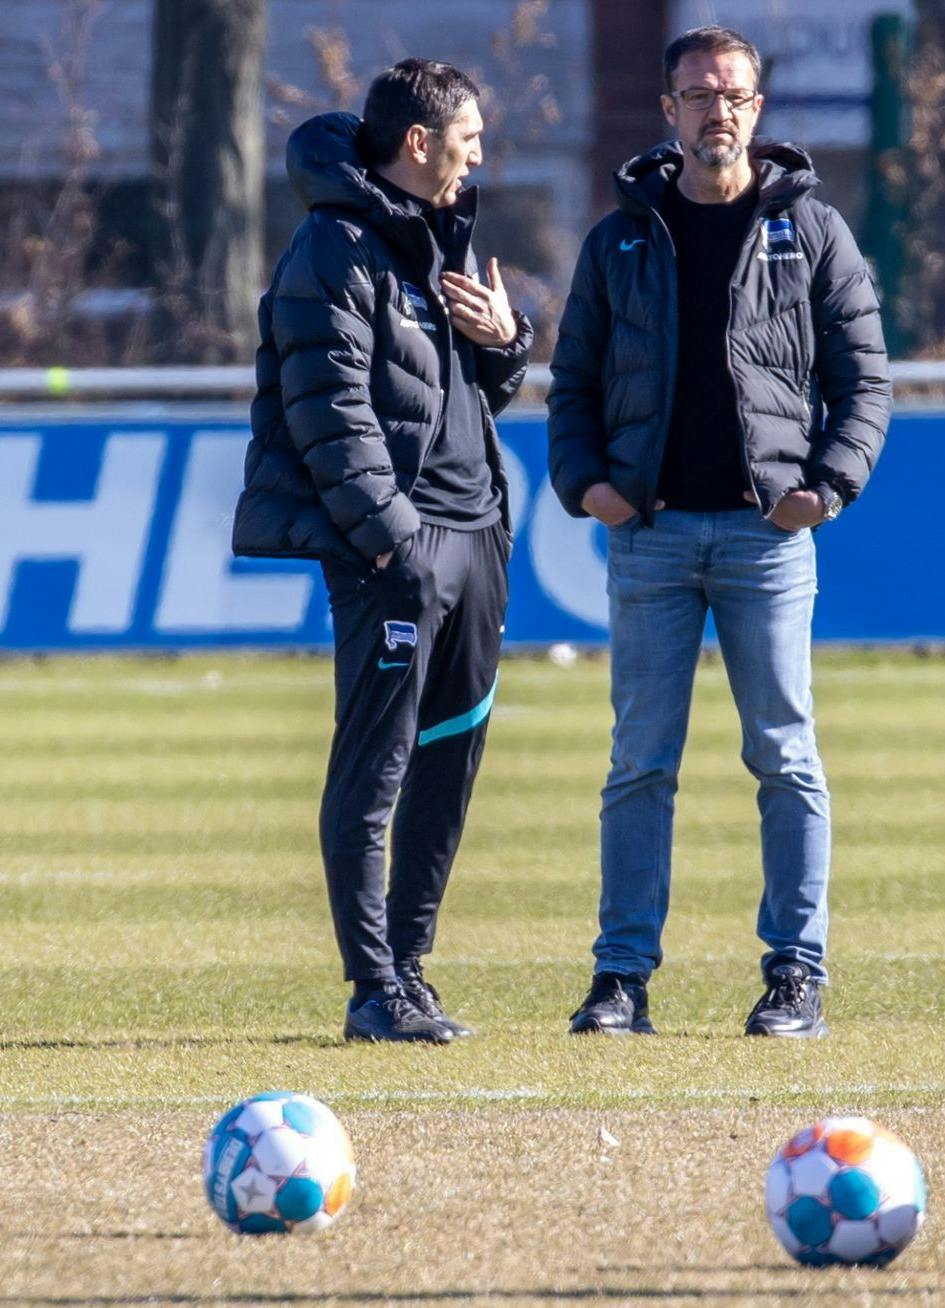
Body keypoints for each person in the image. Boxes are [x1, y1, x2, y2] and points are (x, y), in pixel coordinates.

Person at [547, 26, 891, 1038]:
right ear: (670, 112)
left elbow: (865, 382)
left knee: (784, 755)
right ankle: (621, 980)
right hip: (649, 535)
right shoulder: (620, 237)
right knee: (639, 765)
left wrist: (826, 487)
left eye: (734, 94)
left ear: (758, 108)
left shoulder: (812, 230)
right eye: (698, 95)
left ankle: (796, 975)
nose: (717, 111)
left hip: (764, 538)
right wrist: (589, 486)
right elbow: (572, 384)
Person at [233, 59, 532, 1043]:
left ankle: (410, 970)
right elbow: (330, 414)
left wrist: (505, 342)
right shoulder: (333, 245)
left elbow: (466, 393)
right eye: (469, 139)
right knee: (378, 764)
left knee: (450, 759)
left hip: (477, 536)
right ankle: (373, 987)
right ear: (418, 141)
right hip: (398, 550)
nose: (478, 156)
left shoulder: (442, 233)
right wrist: (395, 542)